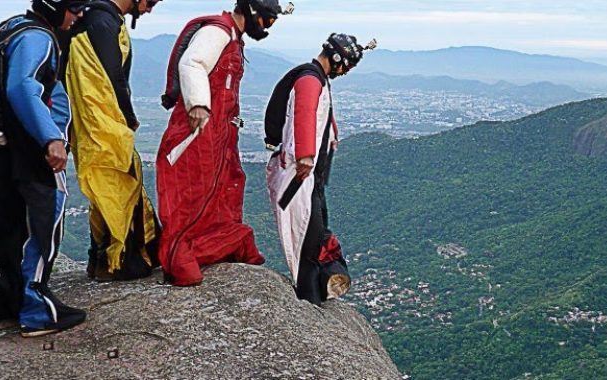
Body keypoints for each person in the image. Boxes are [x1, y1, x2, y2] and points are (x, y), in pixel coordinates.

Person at [0, 0, 88, 337]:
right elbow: (22, 87)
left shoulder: (10, 28)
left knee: (4, 221)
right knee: (43, 221)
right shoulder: (39, 37)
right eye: (74, 6)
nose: (79, 14)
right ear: (54, 6)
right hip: (28, 147)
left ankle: (5, 299)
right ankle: (36, 311)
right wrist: (51, 138)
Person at [155, 0, 292, 286]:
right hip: (199, 129)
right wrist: (198, 104)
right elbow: (192, 62)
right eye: (268, 20)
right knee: (193, 192)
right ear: (253, 12)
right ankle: (181, 258)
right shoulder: (218, 31)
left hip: (218, 132)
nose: (267, 27)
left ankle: (212, 248)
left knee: (223, 188)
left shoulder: (232, 37)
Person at [264, 33, 376, 304]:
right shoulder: (310, 80)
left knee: (314, 233)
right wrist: (304, 155)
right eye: (347, 66)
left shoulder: (316, 79)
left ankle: (319, 288)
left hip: (310, 175)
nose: (346, 72)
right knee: (306, 235)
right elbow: (303, 112)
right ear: (337, 58)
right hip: (300, 174)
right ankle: (309, 295)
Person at [64, 0, 162, 281]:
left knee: (107, 188)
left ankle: (103, 259)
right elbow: (113, 77)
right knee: (117, 185)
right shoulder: (102, 22)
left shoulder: (93, 19)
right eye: (150, 2)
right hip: (103, 123)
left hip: (91, 124)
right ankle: (118, 261)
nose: (148, 10)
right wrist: (128, 115)